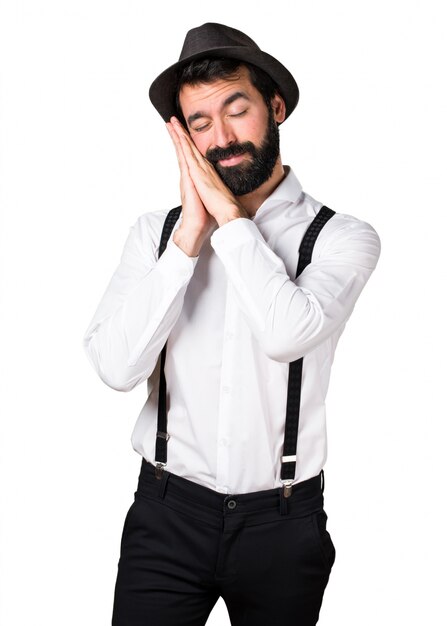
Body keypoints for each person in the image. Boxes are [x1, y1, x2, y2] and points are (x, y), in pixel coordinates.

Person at [83, 22, 381, 626]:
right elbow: (114, 368)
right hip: (166, 515)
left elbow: (286, 334)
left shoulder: (342, 238)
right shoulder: (158, 235)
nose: (221, 138)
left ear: (275, 107)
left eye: (236, 110)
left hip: (284, 524)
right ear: (184, 137)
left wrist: (228, 216)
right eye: (200, 124)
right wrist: (191, 236)